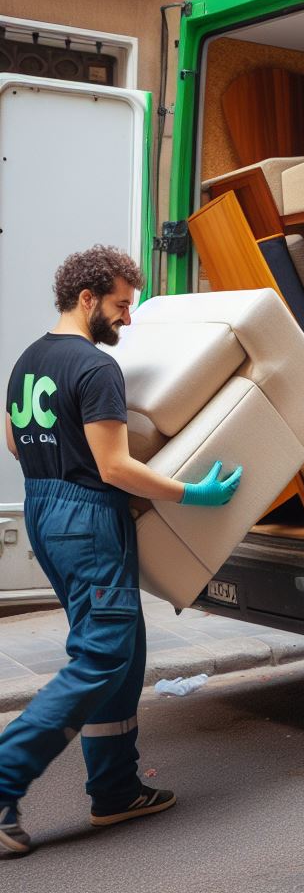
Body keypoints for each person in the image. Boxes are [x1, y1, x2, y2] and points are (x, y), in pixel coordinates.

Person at [1, 246, 243, 856]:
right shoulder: (94, 367)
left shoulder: (28, 360)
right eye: (120, 305)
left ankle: (115, 789)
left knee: (122, 649)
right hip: (86, 517)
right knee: (102, 654)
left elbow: (13, 442)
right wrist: (194, 493)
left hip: (44, 507)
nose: (127, 318)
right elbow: (115, 466)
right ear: (87, 300)